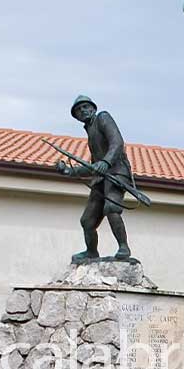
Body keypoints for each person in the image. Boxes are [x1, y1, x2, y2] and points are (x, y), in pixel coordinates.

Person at [56, 95, 134, 262]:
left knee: (111, 207)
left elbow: (117, 142)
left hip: (117, 172)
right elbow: (94, 166)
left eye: (85, 107)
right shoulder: (90, 132)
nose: (82, 111)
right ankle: (91, 251)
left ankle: (123, 247)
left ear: (93, 108)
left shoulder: (103, 118)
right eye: (78, 110)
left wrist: (106, 161)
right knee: (87, 221)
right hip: (101, 178)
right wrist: (71, 171)